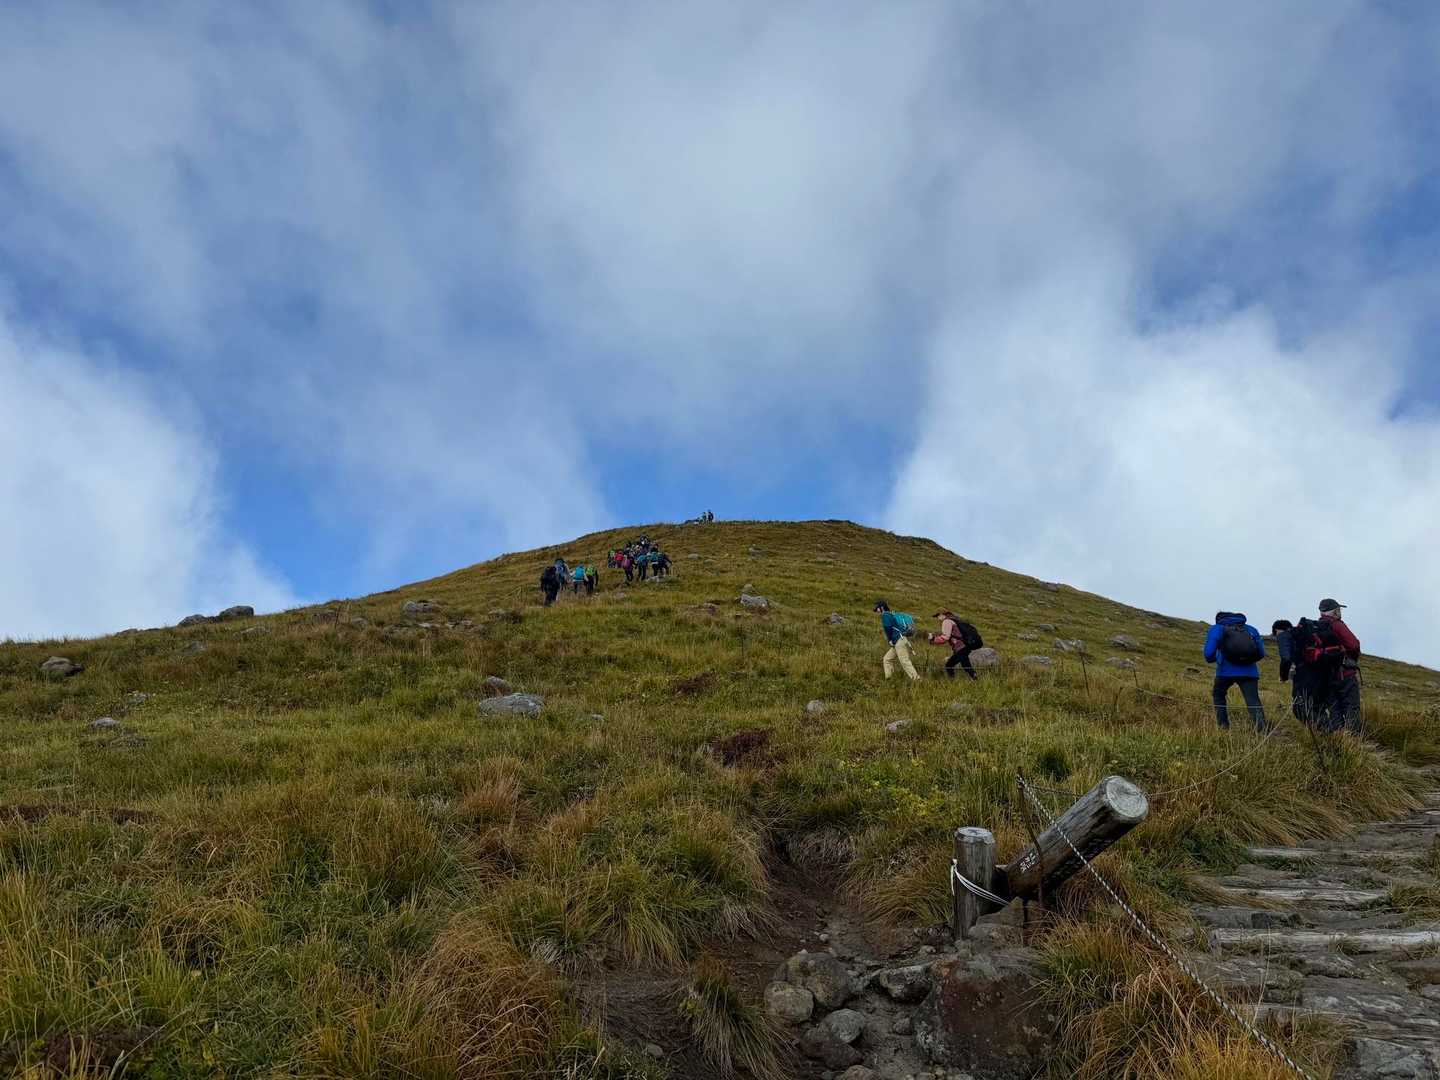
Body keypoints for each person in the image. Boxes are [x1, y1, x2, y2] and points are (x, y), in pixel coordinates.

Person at [1203, 612, 1268, 731]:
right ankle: (1262, 731)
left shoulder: (1217, 628)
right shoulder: (1251, 629)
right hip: (1249, 672)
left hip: (1225, 672)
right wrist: (1247, 660)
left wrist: (1217, 658)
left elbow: (1208, 654)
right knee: (1253, 700)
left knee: (1218, 695)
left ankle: (1223, 727)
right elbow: (1262, 653)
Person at [1318, 599, 1362, 734]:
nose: (1340, 612)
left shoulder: (1316, 627)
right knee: (1351, 707)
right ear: (1335, 611)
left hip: (1325, 677)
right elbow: (1354, 645)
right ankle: (1352, 738)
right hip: (1345, 675)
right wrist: (1352, 659)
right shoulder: (1337, 625)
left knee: (1334, 709)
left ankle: (1337, 738)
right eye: (1339, 609)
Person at [874, 599, 919, 681]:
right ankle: (889, 679)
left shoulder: (885, 615)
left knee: (904, 661)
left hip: (898, 641)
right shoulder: (890, 614)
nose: (876, 610)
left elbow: (888, 628)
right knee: (887, 659)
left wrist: (890, 639)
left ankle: (917, 680)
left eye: (877, 608)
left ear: (882, 607)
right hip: (899, 640)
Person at [930, 610, 981, 680]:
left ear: (942, 614)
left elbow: (945, 637)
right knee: (966, 664)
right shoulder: (954, 619)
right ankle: (974, 677)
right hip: (965, 646)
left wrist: (933, 639)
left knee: (949, 665)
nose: (937, 618)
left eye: (937, 616)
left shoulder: (946, 621)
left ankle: (952, 681)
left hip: (960, 647)